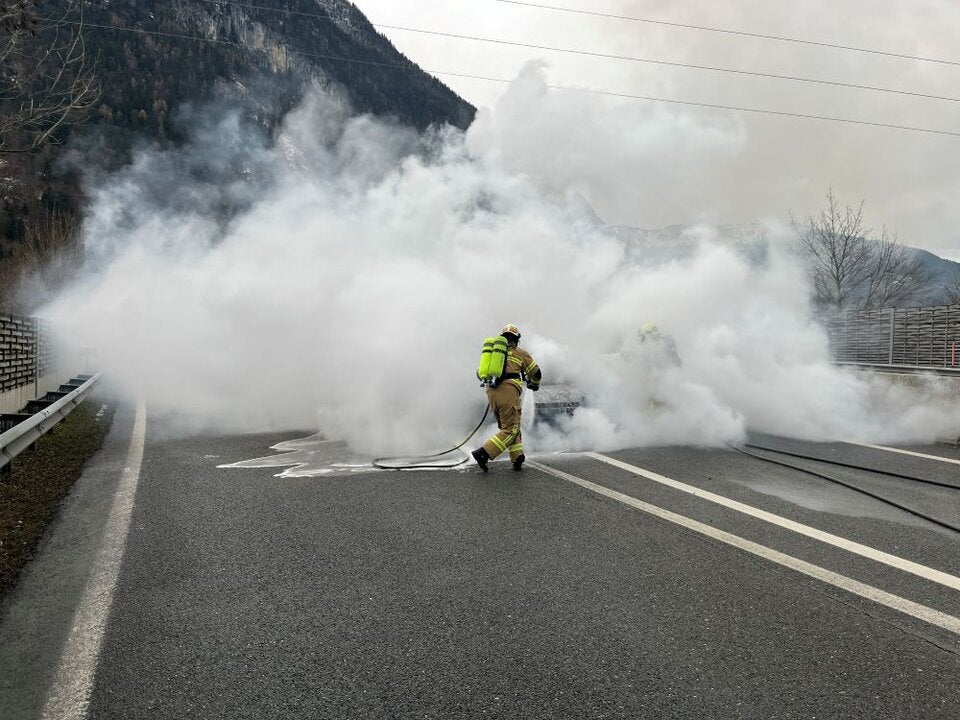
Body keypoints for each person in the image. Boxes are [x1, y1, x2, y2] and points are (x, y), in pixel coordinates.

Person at [471, 324, 541, 472]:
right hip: (508, 391)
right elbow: (536, 373)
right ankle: (484, 453)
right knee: (510, 429)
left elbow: (479, 373)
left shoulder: (494, 356)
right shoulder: (520, 353)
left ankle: (517, 458)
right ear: (517, 339)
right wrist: (534, 384)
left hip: (491, 392)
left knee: (509, 426)